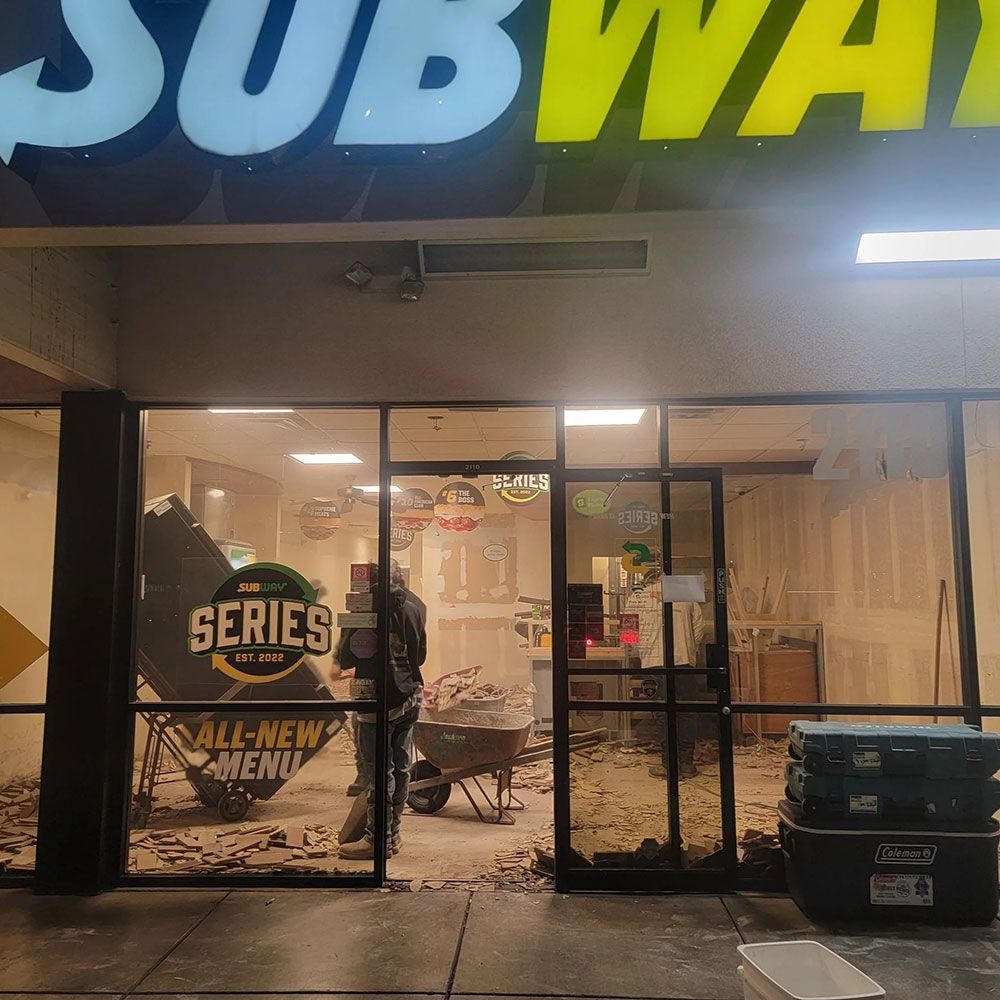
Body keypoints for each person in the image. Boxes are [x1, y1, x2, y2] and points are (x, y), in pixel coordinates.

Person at [335, 562, 427, 859]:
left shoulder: (364, 612)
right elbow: (420, 656)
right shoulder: (413, 608)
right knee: (400, 769)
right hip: (408, 697)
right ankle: (393, 834)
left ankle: (377, 839)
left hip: (376, 702)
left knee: (379, 774)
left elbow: (348, 658)